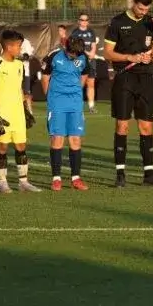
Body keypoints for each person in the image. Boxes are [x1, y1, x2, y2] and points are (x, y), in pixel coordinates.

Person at [104, 0, 153, 188]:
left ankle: (149, 173)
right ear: (133, 2)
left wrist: (152, 57)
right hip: (125, 79)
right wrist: (129, 57)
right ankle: (120, 174)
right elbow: (108, 53)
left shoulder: (152, 24)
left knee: (146, 126)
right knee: (122, 125)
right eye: (140, 8)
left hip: (146, 80)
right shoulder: (118, 22)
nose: (143, 12)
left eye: (147, 9)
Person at [0, 29, 40, 193]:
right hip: (3, 114)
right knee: (2, 146)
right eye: (18, 46)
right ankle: (2, 181)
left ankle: (23, 181)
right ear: (9, 46)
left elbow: (20, 90)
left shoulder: (19, 65)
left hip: (18, 114)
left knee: (21, 146)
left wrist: (26, 110)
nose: (20, 49)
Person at [41, 32, 91, 190]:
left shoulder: (83, 57)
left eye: (77, 54)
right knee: (57, 138)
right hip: (57, 102)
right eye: (72, 54)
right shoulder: (54, 56)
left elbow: (84, 75)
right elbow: (45, 77)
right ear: (65, 47)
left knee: (75, 139)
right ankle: (56, 178)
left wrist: (75, 91)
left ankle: (76, 178)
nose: (74, 57)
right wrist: (50, 97)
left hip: (75, 103)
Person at [70, 13, 100, 114]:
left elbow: (93, 44)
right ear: (79, 21)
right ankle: (75, 105)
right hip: (79, 61)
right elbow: (76, 48)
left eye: (86, 20)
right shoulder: (75, 33)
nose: (84, 22)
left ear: (88, 21)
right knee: (79, 84)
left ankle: (91, 106)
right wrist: (86, 53)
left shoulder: (91, 31)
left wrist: (92, 53)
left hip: (91, 61)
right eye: (82, 20)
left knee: (90, 83)